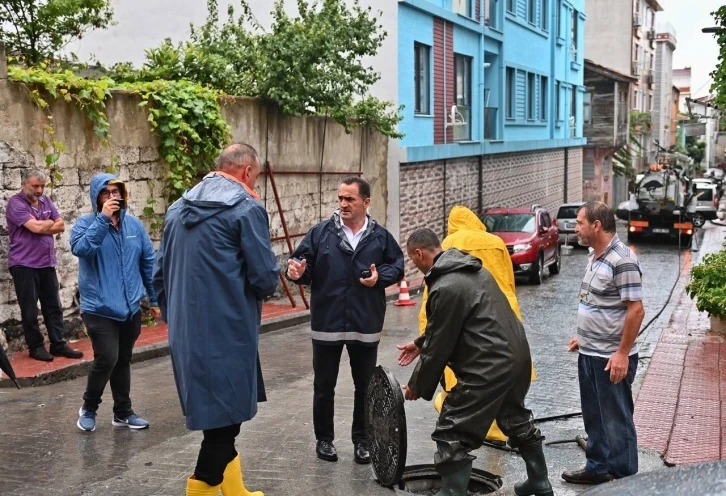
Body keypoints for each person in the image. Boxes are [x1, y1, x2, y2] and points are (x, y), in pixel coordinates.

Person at [153, 143, 280, 496]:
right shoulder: (246, 208)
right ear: (247, 172)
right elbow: (265, 279)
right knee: (227, 423)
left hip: (187, 332)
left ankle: (235, 490)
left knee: (221, 417)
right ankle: (202, 489)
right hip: (229, 330)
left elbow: (158, 276)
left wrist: (178, 318)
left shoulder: (177, 209)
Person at [398, 228, 552, 496]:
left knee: (452, 429)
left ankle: (452, 493)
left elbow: (440, 344)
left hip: (489, 365)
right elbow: (455, 324)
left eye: (413, 260)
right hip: (515, 358)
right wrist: (419, 343)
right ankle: (539, 483)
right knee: (515, 418)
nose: (414, 265)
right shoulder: (472, 271)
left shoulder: (446, 285)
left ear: (419, 254)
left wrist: (417, 385)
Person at [286, 176, 404, 464]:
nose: (343, 204)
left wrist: (380, 278)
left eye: (349, 199)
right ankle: (324, 440)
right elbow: (302, 265)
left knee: (365, 386)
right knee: (324, 386)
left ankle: (362, 441)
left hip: (365, 324)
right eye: (340, 198)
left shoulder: (380, 237)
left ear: (366, 202)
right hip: (327, 323)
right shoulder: (321, 233)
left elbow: (397, 267)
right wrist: (297, 272)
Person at [415, 205, 535, 445]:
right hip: (500, 308)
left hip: (463, 313)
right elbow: (509, 281)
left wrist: (417, 382)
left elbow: (438, 292)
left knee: (464, 378)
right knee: (505, 381)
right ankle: (508, 435)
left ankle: (460, 443)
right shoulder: (495, 242)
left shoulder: (448, 245)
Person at [562, 201, 644, 485]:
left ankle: (624, 480)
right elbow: (597, 302)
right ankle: (596, 468)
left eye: (580, 223)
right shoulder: (595, 256)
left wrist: (622, 354)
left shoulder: (623, 260)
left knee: (616, 421)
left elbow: (636, 310)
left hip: (611, 358)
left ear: (596, 225)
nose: (576, 228)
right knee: (594, 416)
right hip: (589, 353)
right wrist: (582, 337)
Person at [71, 173, 159, 433]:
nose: (113, 197)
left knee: (123, 359)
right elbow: (82, 249)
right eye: (106, 193)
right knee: (107, 358)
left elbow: (148, 263)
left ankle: (123, 412)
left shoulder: (134, 226)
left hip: (130, 307)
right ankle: (89, 408)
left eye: (117, 192)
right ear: (96, 197)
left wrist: (154, 300)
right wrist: (102, 220)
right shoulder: (85, 224)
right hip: (98, 307)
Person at [5, 169, 83, 361]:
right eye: (35, 186)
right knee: (30, 309)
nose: (39, 190)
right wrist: (47, 224)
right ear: (24, 184)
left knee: (54, 307)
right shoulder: (16, 204)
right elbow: (36, 227)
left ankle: (58, 344)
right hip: (24, 264)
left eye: (42, 186)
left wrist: (44, 224)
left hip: (47, 263)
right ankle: (36, 347)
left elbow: (61, 225)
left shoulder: (46, 202)